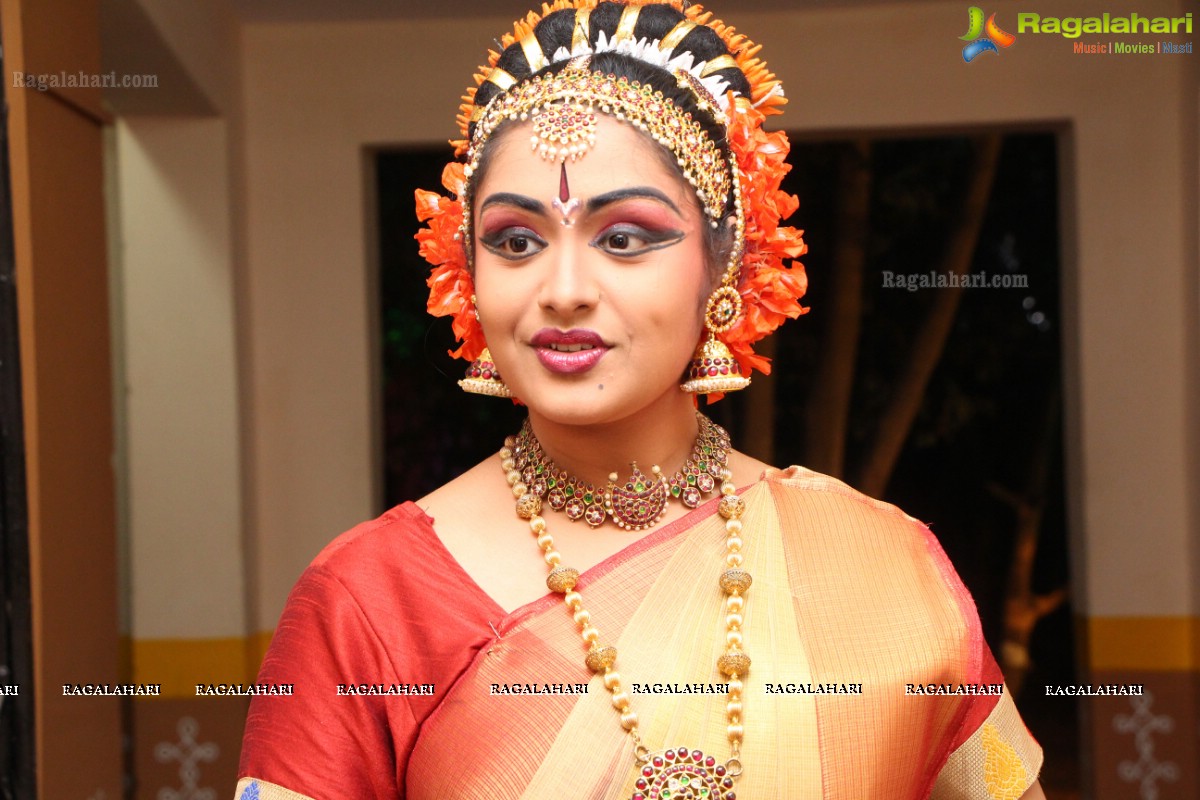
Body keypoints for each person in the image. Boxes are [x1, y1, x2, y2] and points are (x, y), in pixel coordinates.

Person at [235, 2, 1046, 798]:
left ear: (725, 265)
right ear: (467, 274)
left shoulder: (881, 565)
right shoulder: (371, 598)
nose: (562, 290)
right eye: (515, 242)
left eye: (624, 238)